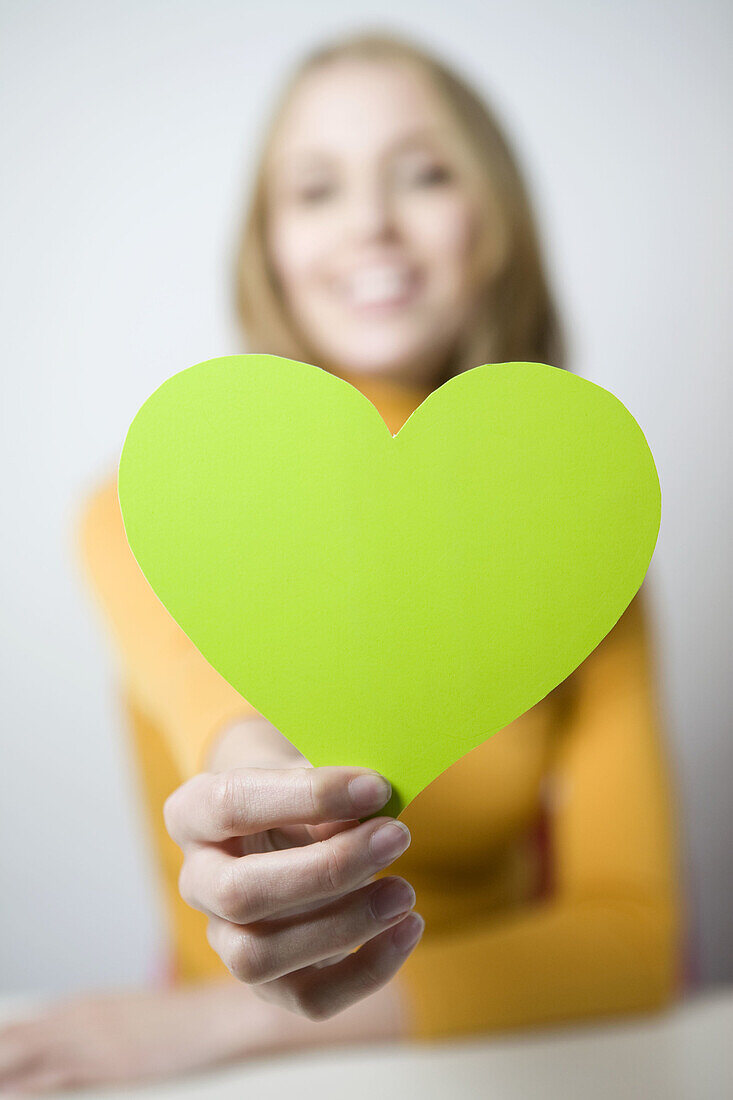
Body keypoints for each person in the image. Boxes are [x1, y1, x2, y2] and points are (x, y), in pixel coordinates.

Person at [0, 30, 682, 1095]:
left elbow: (636, 939)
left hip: (487, 1054)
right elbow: (206, 694)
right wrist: (262, 783)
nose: (369, 220)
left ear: (492, 220)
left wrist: (218, 1026)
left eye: (424, 171)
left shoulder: (591, 555)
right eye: (315, 188)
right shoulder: (148, 505)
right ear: (267, 242)